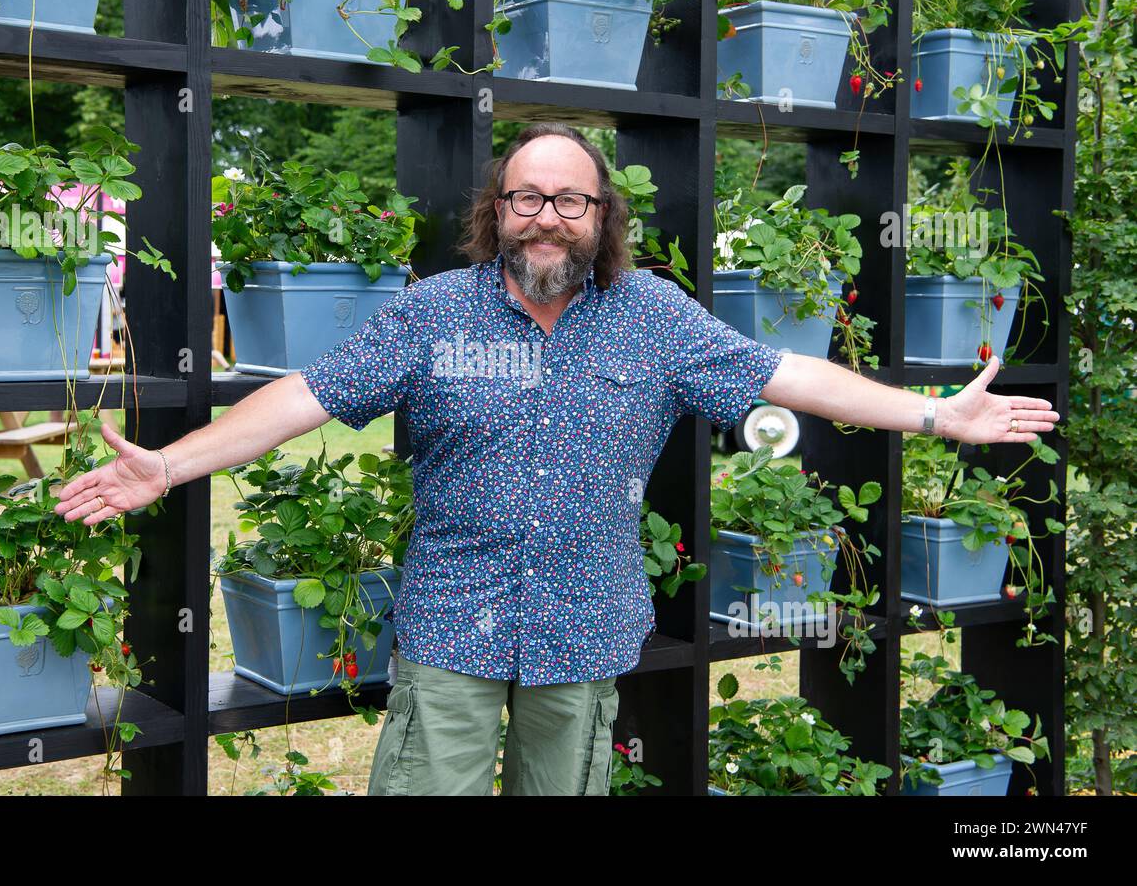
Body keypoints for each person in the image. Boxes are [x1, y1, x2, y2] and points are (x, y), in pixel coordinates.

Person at [53, 122, 1059, 796]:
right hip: (453, 629)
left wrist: (932, 418)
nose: (546, 214)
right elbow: (300, 396)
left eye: (570, 200)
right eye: (525, 197)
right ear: (497, 211)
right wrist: (172, 466)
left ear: (600, 218)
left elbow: (789, 373)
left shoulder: (657, 318)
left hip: (584, 634)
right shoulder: (432, 313)